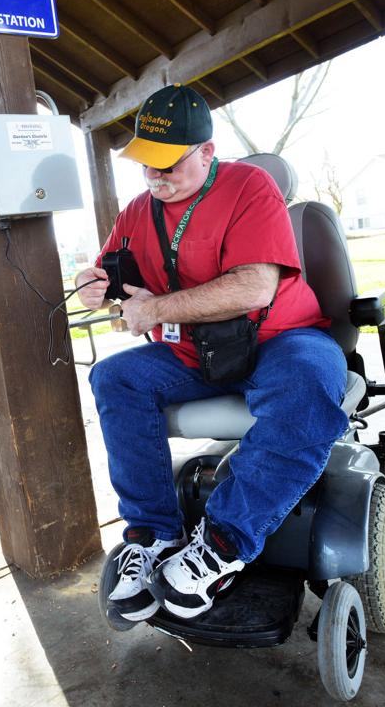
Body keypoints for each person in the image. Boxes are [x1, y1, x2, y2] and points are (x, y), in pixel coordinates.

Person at [76, 84, 348, 622]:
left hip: (280, 339)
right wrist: (91, 280)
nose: (155, 177)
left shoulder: (251, 187)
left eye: (168, 164)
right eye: (146, 165)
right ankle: (150, 534)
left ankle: (223, 543)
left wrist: (155, 310)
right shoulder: (137, 211)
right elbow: (105, 269)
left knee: (308, 384)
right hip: (192, 353)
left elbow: (252, 288)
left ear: (206, 151)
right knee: (115, 378)